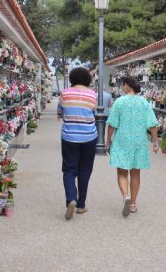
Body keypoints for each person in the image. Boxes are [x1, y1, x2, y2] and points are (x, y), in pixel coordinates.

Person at [105, 76, 159, 217]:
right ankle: (133, 204)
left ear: (127, 86)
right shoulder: (144, 102)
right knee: (135, 173)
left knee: (122, 172)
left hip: (122, 141)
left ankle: (125, 197)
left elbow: (112, 123)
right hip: (139, 141)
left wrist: (108, 141)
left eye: (123, 85)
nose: (122, 88)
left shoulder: (119, 102)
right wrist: (155, 142)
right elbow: (152, 123)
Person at [57, 67, 97, 220]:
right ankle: (81, 205)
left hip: (69, 137)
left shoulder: (64, 94)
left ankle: (70, 199)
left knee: (69, 170)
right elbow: (93, 113)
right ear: (88, 79)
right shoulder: (93, 95)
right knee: (85, 170)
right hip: (89, 137)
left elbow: (60, 113)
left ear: (72, 78)